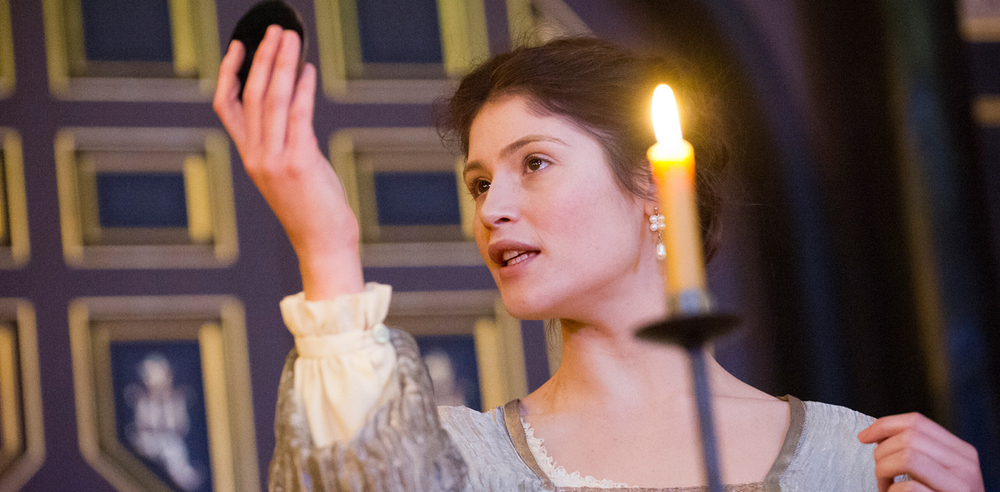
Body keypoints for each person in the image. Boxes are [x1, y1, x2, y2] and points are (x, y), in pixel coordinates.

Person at [213, 25, 985, 491]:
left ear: (654, 184)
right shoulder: (456, 462)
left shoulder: (852, 459)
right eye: (479, 182)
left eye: (534, 164)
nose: (492, 208)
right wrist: (326, 244)